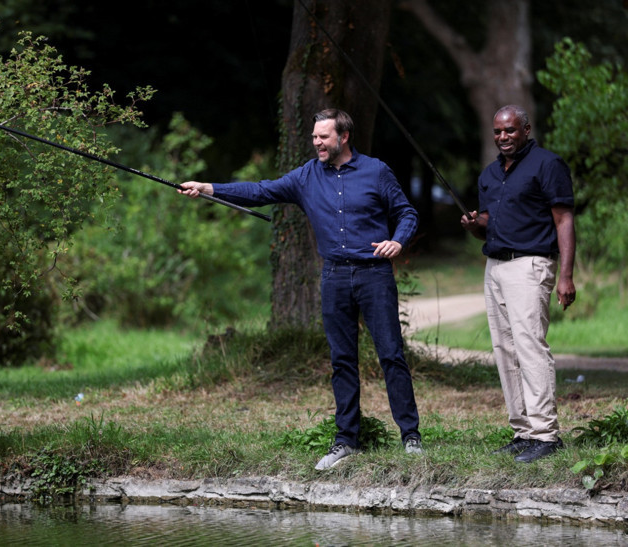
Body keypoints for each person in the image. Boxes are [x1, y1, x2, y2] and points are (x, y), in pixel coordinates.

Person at [179, 108, 422, 470]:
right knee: (342, 361)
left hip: (374, 276)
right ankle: (346, 440)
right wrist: (209, 188)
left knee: (390, 355)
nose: (316, 143)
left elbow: (407, 214)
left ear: (343, 137)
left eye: (323, 137)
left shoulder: (376, 171)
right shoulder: (306, 176)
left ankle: (411, 437)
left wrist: (398, 242)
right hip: (335, 277)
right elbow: (260, 190)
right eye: (314, 137)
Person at [460, 104, 576, 464]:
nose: (503, 137)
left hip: (530, 266)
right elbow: (489, 222)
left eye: (510, 130)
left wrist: (567, 275)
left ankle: (546, 434)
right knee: (504, 349)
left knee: (530, 347)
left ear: (526, 129)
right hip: (495, 265)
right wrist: (474, 224)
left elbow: (564, 220)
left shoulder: (547, 164)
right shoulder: (490, 174)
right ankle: (523, 431)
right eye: (497, 132)